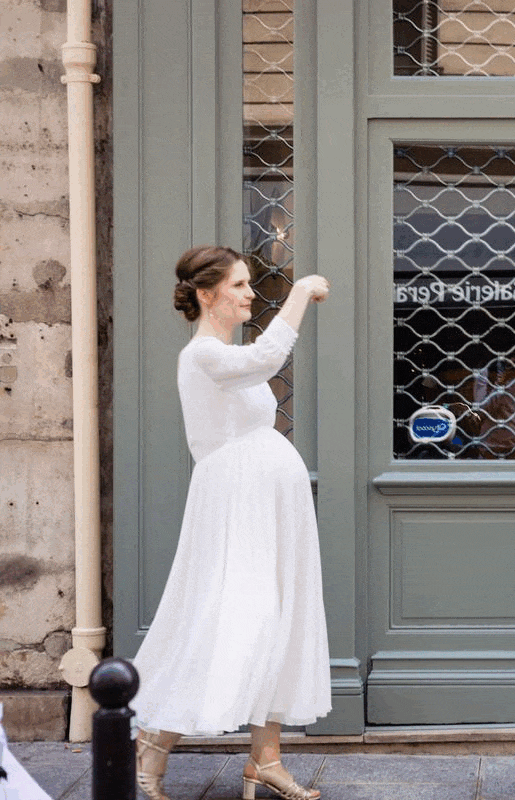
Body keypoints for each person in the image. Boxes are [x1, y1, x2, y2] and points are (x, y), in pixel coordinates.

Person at [132, 246, 332, 800]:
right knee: (225, 615)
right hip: (235, 505)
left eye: (251, 284)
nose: (249, 293)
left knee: (276, 616)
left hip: (269, 506)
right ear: (206, 294)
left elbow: (257, 364)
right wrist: (297, 295)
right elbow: (268, 360)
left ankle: (265, 759)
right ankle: (150, 749)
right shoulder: (201, 356)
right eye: (239, 285)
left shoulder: (228, 351)